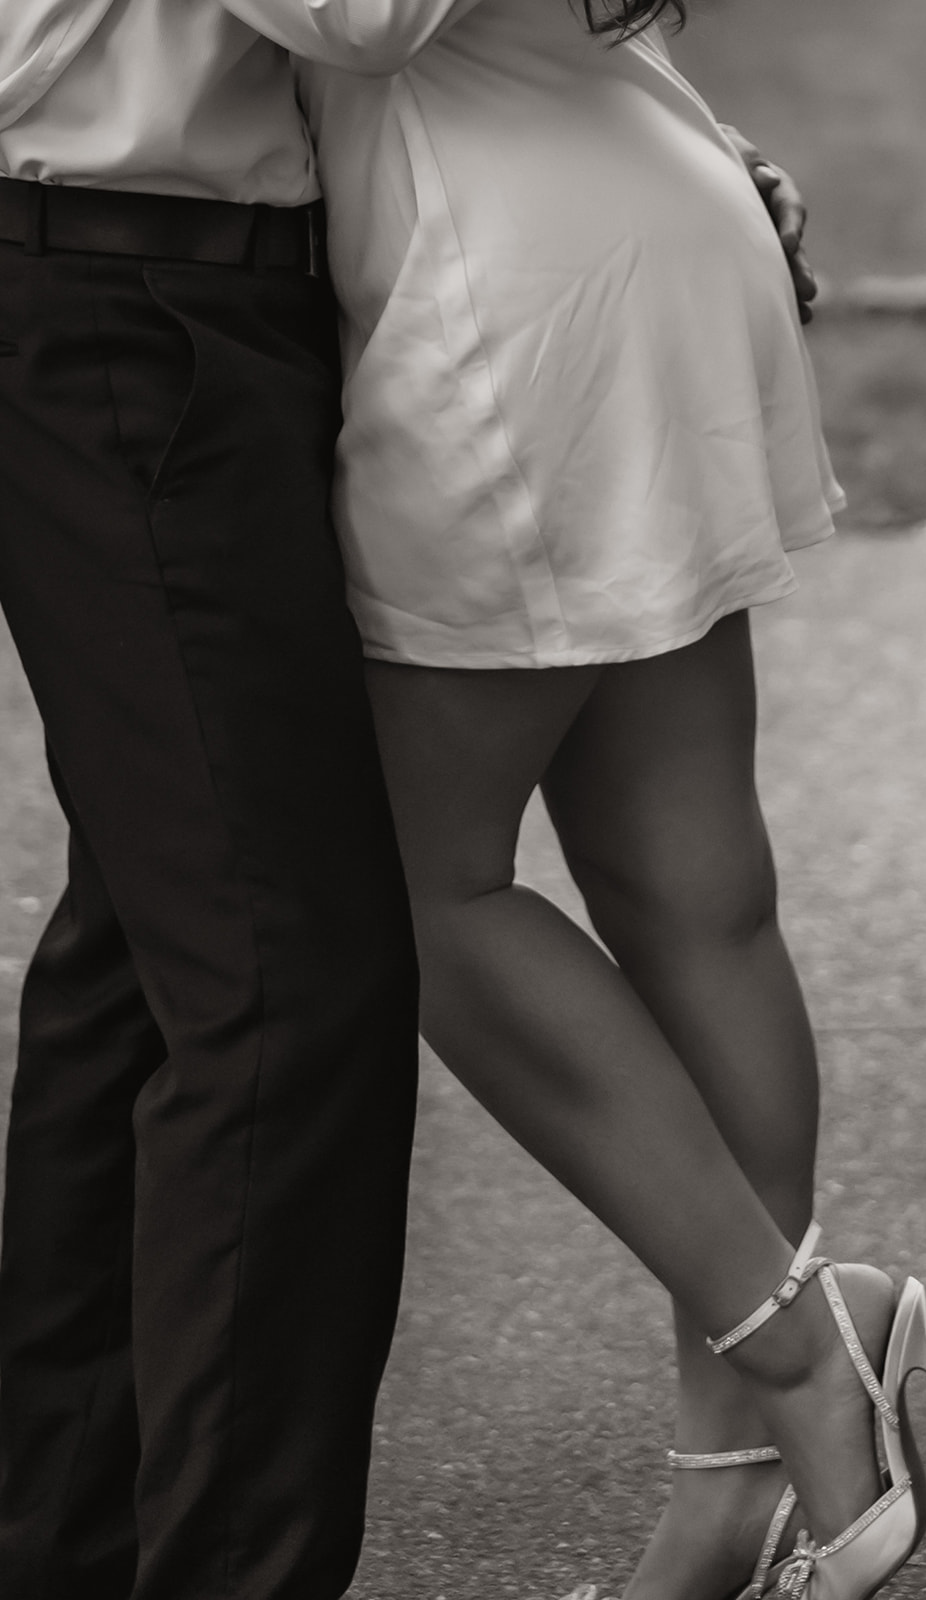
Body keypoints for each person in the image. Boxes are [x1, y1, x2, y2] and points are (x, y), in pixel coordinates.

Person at [217, 2, 926, 1598]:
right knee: (686, 891)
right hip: (629, 207)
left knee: (404, 887)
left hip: (515, 301)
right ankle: (737, 1501)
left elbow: (361, 20)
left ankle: (806, 1344)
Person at [0, 6, 420, 1599]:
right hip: (115, 289)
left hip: (198, 287)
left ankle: (66, 1553)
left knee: (155, 965)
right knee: (282, 980)